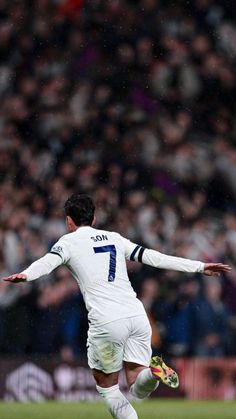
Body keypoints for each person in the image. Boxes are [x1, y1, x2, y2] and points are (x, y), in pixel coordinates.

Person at [2, 194, 230, 419]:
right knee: (137, 386)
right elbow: (154, 257)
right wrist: (199, 266)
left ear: (68, 220)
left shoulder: (67, 242)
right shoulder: (114, 238)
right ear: (93, 219)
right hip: (136, 314)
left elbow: (47, 263)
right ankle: (152, 372)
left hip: (107, 320)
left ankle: (151, 374)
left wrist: (26, 275)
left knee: (109, 389)